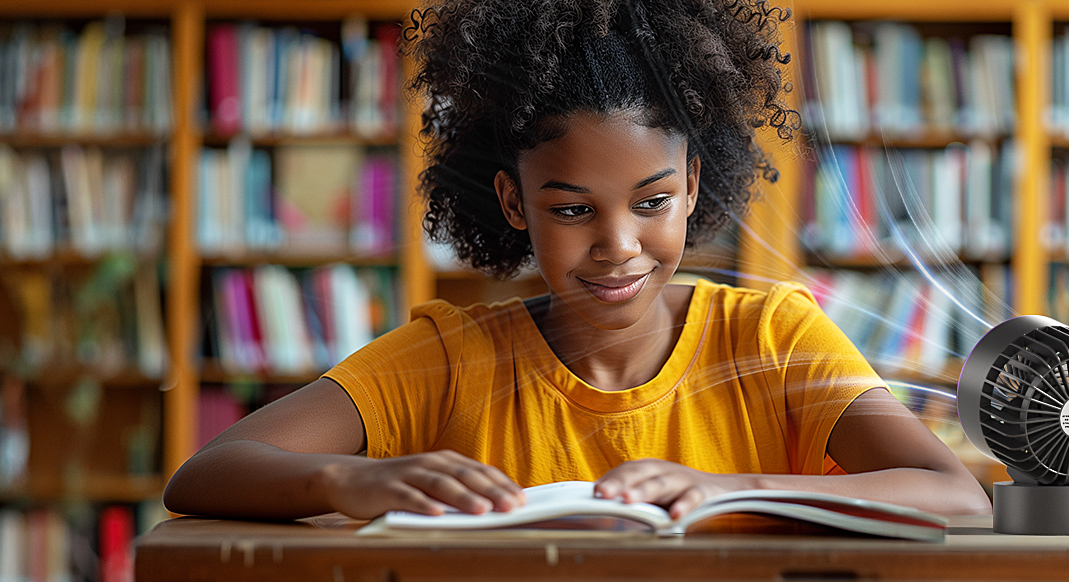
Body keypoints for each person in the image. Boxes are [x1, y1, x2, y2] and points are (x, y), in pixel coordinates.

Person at [163, 0, 991, 521]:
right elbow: (208, 474)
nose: (620, 245)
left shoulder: (773, 338)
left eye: (653, 201)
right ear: (515, 204)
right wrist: (350, 483)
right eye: (570, 211)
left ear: (696, 184)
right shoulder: (450, 358)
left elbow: (955, 496)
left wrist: (731, 490)